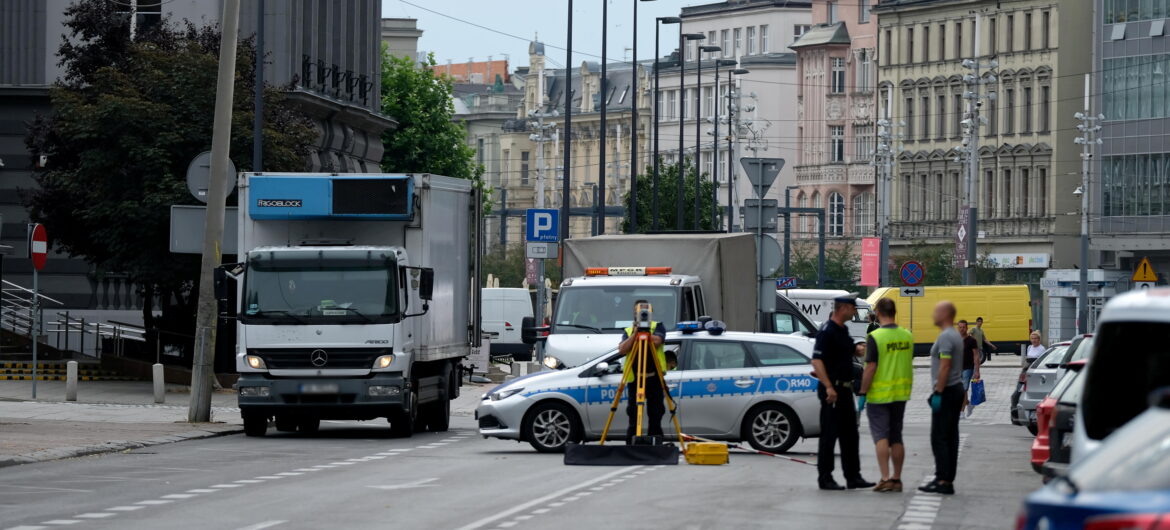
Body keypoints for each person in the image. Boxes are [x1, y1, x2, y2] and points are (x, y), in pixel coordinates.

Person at [811, 297, 875, 491]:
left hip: (846, 389)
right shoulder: (827, 331)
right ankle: (825, 477)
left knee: (850, 435)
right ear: (844, 308)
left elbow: (849, 350)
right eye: (853, 307)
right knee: (829, 435)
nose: (855, 310)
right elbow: (817, 361)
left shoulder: (842, 330)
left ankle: (853, 476)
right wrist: (829, 387)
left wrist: (859, 349)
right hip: (833, 391)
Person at [858, 298, 914, 493]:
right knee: (896, 436)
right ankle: (897, 479)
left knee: (881, 436)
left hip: (879, 395)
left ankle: (885, 477)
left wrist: (863, 392)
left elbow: (871, 367)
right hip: (901, 394)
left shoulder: (875, 336)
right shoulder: (907, 336)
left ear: (879, 312)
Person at [920, 301, 966, 495]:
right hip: (954, 389)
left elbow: (945, 365)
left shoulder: (947, 336)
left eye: (937, 310)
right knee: (950, 436)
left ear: (946, 314)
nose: (933, 314)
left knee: (940, 437)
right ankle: (945, 479)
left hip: (947, 391)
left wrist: (938, 392)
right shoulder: (953, 335)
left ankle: (943, 480)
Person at [616, 300, 668, 444]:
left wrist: (645, 333)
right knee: (633, 413)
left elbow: (657, 340)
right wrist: (635, 333)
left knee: (656, 413)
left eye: (645, 312)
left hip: (654, 378)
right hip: (635, 379)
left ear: (651, 313)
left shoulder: (657, 326)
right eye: (638, 312)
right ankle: (632, 442)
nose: (641, 315)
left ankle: (656, 442)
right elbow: (622, 349)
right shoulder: (628, 330)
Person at [958, 320, 981, 417]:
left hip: (968, 368)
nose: (962, 329)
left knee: (963, 389)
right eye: (960, 327)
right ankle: (969, 404)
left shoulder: (971, 340)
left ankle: (961, 412)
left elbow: (976, 355)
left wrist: (977, 370)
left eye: (963, 327)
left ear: (967, 328)